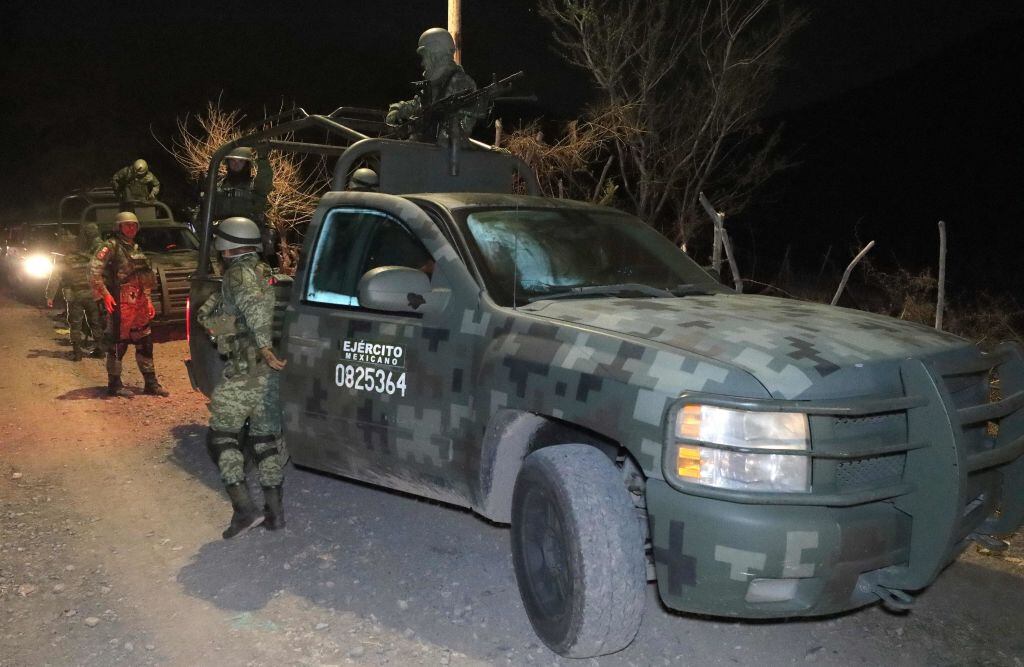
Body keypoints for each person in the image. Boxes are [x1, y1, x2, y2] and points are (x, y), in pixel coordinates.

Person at [197, 216, 288, 539]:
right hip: (270, 377)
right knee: (265, 441)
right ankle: (275, 514)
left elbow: (255, 312)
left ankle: (244, 510)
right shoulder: (266, 272)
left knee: (223, 436)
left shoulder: (238, 274)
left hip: (248, 371)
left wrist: (262, 346)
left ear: (225, 244)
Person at [89, 211, 169, 398]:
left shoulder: (135, 248)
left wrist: (148, 299)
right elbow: (93, 272)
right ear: (118, 227)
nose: (131, 228)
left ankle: (150, 383)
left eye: (134, 225)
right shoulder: (110, 247)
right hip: (120, 300)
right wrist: (105, 295)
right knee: (118, 343)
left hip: (139, 302)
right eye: (127, 225)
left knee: (145, 342)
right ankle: (115, 385)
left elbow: (145, 277)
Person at [385, 27, 486, 142]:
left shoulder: (461, 83)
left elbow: (461, 128)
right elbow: (417, 104)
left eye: (425, 56)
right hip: (425, 148)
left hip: (442, 154)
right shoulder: (434, 85)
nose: (423, 63)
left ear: (435, 53)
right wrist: (399, 109)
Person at [46, 223, 106, 361]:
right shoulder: (89, 257)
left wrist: (50, 296)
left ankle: (77, 353)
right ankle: (100, 350)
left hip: (74, 296)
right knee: (95, 322)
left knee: (75, 324)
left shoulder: (63, 261)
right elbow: (99, 274)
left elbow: (55, 278)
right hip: (91, 295)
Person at [211, 147, 274, 227]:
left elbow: (264, 181)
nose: (236, 164)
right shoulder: (217, 186)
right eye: (232, 160)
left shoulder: (255, 187)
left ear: (247, 164)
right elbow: (201, 213)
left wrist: (262, 159)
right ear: (227, 162)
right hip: (220, 235)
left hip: (248, 235)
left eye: (241, 161)